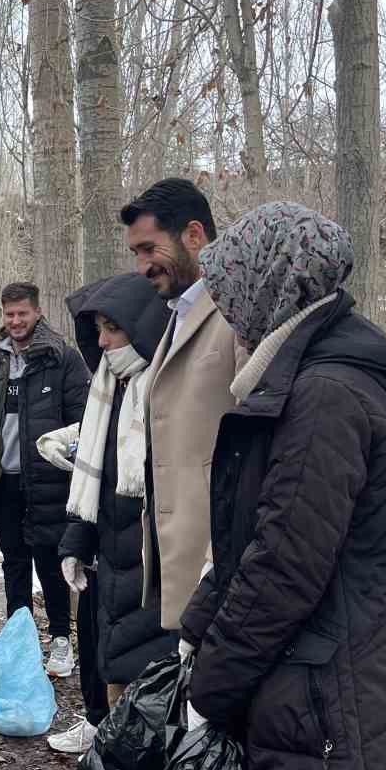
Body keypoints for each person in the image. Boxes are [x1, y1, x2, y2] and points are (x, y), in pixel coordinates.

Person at [182, 203, 386, 770]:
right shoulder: (312, 377)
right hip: (317, 693)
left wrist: (210, 680)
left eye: (233, 297)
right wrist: (198, 624)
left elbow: (285, 570)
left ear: (271, 288)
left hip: (330, 707)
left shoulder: (326, 395)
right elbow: (256, 542)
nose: (228, 316)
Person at [44, 276, 173, 757]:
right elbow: (95, 473)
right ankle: (105, 730)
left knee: (144, 665)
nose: (102, 342)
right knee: (105, 649)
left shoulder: (163, 390)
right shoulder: (110, 387)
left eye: (112, 329)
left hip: (152, 558)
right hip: (110, 550)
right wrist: (76, 538)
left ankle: (131, 749)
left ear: (141, 328)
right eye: (97, 328)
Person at [120, 177, 241, 633]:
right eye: (136, 253)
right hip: (186, 576)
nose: (141, 266)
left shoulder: (236, 311)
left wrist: (218, 561)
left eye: (150, 249)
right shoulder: (177, 314)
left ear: (194, 235)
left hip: (224, 574)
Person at [0, 282, 90, 676]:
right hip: (3, 481)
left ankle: (62, 641)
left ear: (37, 312)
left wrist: (66, 456)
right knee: (13, 562)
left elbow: (84, 422)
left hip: (49, 482)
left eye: (22, 314)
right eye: (9, 314)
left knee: (50, 562)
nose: (15, 321)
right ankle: (18, 640)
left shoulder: (61, 358)